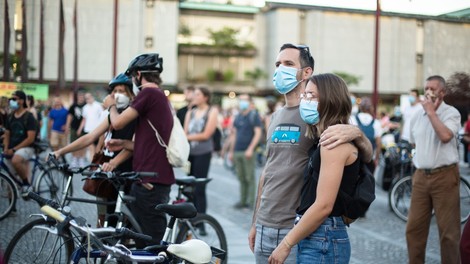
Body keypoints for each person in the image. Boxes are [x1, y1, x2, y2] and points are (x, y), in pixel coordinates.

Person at [248, 43, 373, 263]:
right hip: (265, 225)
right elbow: (268, 170)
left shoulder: (315, 116)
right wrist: (255, 222)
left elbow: (363, 155)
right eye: (278, 64)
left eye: (288, 64)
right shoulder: (275, 117)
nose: (280, 69)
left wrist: (357, 133)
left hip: (296, 226)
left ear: (306, 72)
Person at [269, 73, 360, 264]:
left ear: (330, 100)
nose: (305, 101)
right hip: (317, 234)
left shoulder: (332, 143)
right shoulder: (324, 138)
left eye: (311, 96)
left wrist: (286, 244)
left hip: (324, 235)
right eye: (305, 96)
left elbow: (323, 205)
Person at [103, 53, 175, 245]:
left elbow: (117, 123)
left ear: (139, 74)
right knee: (140, 237)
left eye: (133, 76)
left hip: (151, 179)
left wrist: (111, 106)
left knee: (152, 242)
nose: (133, 80)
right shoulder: (157, 96)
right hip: (146, 176)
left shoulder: (149, 94)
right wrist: (124, 144)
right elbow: (150, 142)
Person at [52, 73, 137, 225]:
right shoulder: (113, 114)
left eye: (121, 91)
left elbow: (134, 145)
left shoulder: (134, 114)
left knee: (124, 221)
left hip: (126, 174)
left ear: (131, 94)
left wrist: (115, 162)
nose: (117, 95)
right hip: (108, 173)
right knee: (104, 218)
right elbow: (90, 137)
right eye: (115, 91)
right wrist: (60, 151)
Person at [406, 75, 461, 264]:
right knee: (414, 230)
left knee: (449, 233)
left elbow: (446, 136)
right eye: (426, 87)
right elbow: (413, 141)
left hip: (444, 176)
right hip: (421, 176)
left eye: (433, 88)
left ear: (442, 92)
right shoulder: (416, 115)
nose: (428, 91)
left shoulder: (451, 113)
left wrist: (431, 112)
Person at [183, 86, 219, 216]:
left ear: (205, 97)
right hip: (190, 153)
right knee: (188, 187)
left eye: (197, 94)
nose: (194, 97)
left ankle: (201, 218)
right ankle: (189, 216)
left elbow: (206, 134)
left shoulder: (211, 111)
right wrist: (186, 137)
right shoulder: (190, 112)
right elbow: (185, 131)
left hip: (203, 153)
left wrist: (187, 137)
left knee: (200, 187)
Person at [228, 93, 262, 209]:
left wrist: (251, 149)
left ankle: (251, 203)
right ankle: (242, 201)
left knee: (250, 178)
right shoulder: (238, 117)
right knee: (241, 178)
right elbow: (234, 135)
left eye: (244, 100)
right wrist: (231, 151)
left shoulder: (254, 115)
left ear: (250, 102)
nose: (242, 102)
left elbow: (258, 133)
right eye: (240, 100)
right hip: (237, 150)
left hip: (248, 151)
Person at [3, 90, 38, 197]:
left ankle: (26, 184)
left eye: (14, 99)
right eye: (10, 99)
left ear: (22, 101)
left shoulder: (29, 117)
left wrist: (13, 150)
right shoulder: (10, 116)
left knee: (16, 160)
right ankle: (11, 207)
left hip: (27, 148)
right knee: (9, 177)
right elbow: (7, 134)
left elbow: (30, 139)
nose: (11, 102)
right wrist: (6, 148)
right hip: (12, 148)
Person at [350, 97, 382, 169]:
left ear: (360, 107)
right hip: (369, 158)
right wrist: (376, 158)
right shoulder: (376, 123)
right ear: (371, 108)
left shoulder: (352, 119)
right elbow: (378, 143)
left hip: (354, 158)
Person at [78, 93, 104, 162]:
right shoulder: (85, 107)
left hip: (97, 130)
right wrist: (80, 129)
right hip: (88, 130)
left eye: (89, 97)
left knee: (97, 149)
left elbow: (102, 117)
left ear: (92, 97)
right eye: (86, 98)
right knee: (91, 148)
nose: (87, 99)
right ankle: (92, 164)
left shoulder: (98, 105)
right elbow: (84, 119)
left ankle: (96, 163)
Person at [65, 91, 87, 167]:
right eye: (79, 96)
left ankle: (81, 159)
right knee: (74, 143)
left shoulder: (86, 106)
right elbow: (69, 117)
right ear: (77, 97)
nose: (81, 97)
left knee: (83, 144)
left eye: (82, 96)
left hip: (84, 128)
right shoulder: (73, 106)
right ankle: (75, 158)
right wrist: (67, 126)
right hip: (74, 127)